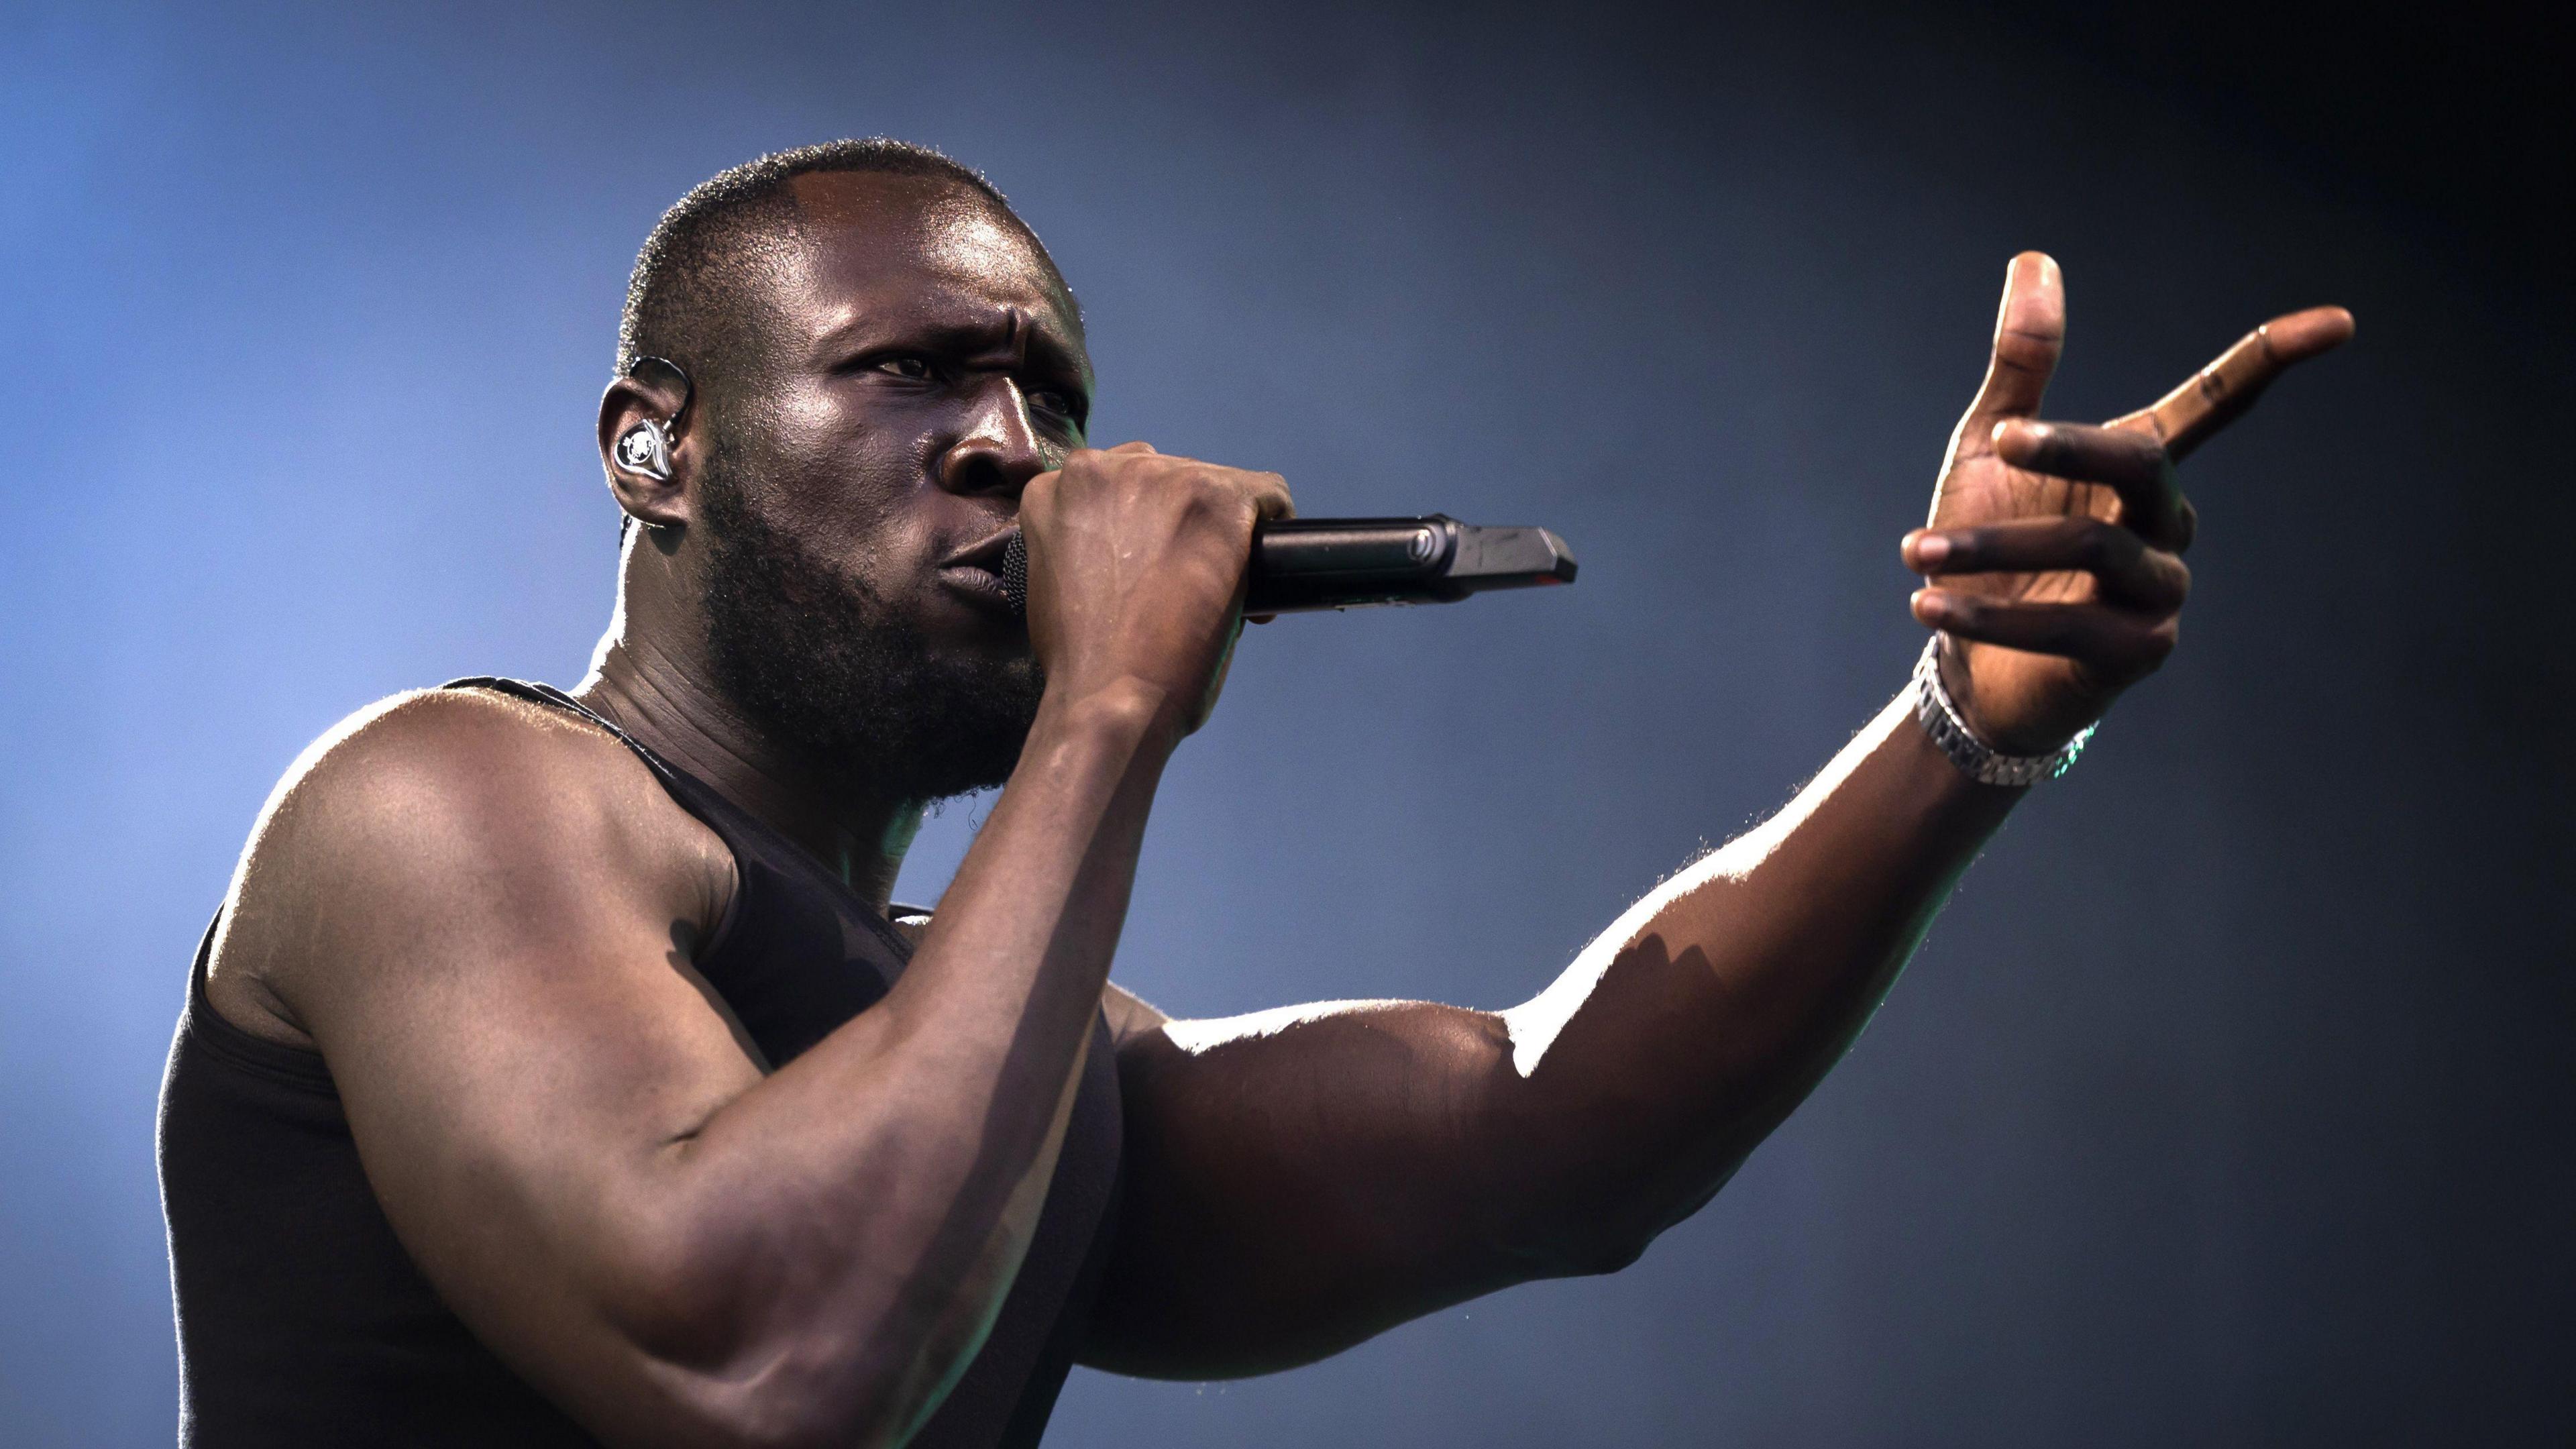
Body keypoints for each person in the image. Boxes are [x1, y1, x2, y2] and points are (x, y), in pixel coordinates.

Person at [157, 138, 2351, 1448]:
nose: (1016, 442)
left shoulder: (990, 1050)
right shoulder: (447, 799)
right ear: (661, 449)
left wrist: (1973, 718)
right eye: (915, 368)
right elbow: (764, 1371)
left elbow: (1546, 1136)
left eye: (1051, 391)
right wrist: (1112, 708)